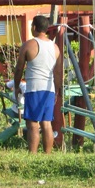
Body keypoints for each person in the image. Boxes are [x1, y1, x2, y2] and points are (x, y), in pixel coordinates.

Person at [13, 15, 61, 154]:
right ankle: (47, 156)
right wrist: (57, 90)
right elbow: (58, 73)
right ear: (46, 29)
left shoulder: (29, 45)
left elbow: (19, 68)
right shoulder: (55, 47)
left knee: (33, 123)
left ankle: (33, 155)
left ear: (34, 27)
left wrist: (16, 86)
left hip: (34, 89)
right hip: (49, 89)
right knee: (46, 123)